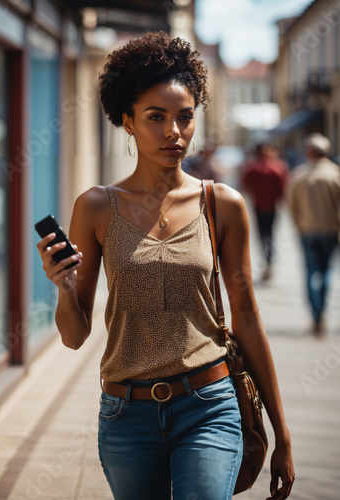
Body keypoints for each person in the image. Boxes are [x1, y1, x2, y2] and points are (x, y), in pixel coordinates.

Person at [37, 32, 294, 500]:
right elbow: (74, 337)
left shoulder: (224, 205)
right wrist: (63, 287)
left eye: (185, 117)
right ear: (127, 121)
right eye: (156, 117)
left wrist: (282, 434)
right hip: (125, 412)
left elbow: (249, 319)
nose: (174, 132)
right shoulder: (96, 207)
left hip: (210, 405)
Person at [287, 133, 340, 337]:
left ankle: (315, 315)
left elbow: (291, 205)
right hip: (329, 230)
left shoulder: (300, 175)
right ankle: (322, 310)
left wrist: (298, 225)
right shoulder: (335, 174)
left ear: (310, 151)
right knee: (326, 272)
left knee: (311, 272)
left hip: (307, 230)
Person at [241, 143, 289, 281]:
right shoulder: (278, 167)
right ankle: (268, 261)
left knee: (263, 235)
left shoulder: (253, 167)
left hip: (260, 206)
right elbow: (284, 187)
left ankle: (267, 260)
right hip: (270, 206)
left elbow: (245, 184)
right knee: (269, 235)